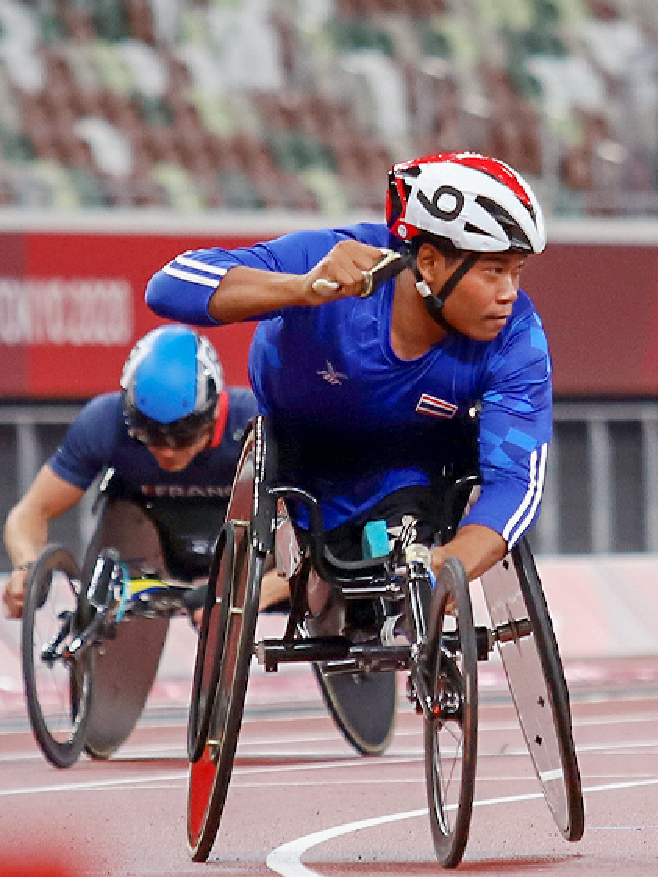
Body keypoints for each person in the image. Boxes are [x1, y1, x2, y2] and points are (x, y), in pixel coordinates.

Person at [144, 151, 551, 629]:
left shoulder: (518, 338)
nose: (510, 293)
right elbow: (168, 287)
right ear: (431, 263)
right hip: (300, 446)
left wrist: (454, 562)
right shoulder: (338, 255)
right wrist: (302, 288)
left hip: (413, 469)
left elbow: (517, 482)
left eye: (516, 272)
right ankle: (313, 571)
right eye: (494, 271)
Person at [0, 324, 257, 618]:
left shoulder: (251, 420)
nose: (167, 451)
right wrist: (25, 566)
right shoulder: (104, 423)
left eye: (183, 434)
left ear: (213, 413)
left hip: (241, 549)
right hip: (144, 546)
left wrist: (248, 590)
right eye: (150, 434)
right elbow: (31, 511)